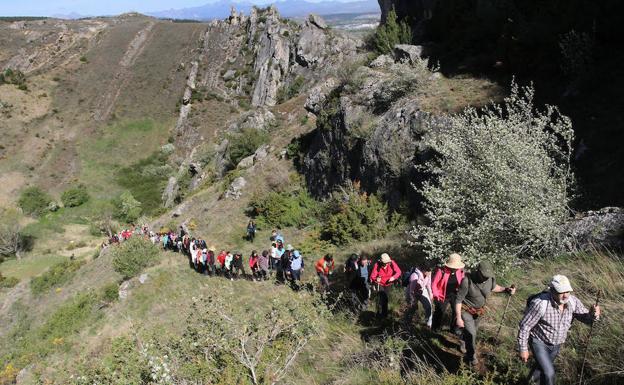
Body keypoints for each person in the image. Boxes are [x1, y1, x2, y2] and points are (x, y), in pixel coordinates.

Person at [517, 275, 600, 385]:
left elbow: (587, 320)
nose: (565, 295)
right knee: (549, 374)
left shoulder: (573, 302)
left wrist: (593, 315)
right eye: (561, 292)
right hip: (539, 342)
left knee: (540, 370)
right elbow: (525, 326)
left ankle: (526, 383)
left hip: (556, 344)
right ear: (552, 290)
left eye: (567, 291)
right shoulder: (540, 304)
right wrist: (523, 349)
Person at [455, 261, 515, 366]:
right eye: (484, 276)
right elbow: (458, 300)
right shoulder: (467, 281)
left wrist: (506, 289)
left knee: (472, 333)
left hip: (479, 312)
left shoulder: (490, 279)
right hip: (466, 311)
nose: (486, 278)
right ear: (478, 271)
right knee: (472, 333)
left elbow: (494, 287)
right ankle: (471, 358)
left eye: (488, 276)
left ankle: (463, 341)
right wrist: (459, 318)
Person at [431, 253, 465, 331]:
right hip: (442, 295)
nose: (456, 268)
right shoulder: (441, 271)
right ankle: (435, 328)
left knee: (456, 311)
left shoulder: (461, 271)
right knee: (440, 311)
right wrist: (436, 295)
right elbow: (434, 284)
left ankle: (454, 329)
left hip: (454, 294)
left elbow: (462, 282)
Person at [370, 253, 402, 319]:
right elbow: (372, 276)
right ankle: (378, 315)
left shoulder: (392, 263)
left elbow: (399, 272)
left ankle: (384, 315)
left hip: (388, 284)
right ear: (381, 262)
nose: (387, 264)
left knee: (386, 299)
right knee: (380, 299)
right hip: (380, 284)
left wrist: (393, 277)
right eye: (385, 262)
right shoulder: (377, 265)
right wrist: (376, 279)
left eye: (388, 262)